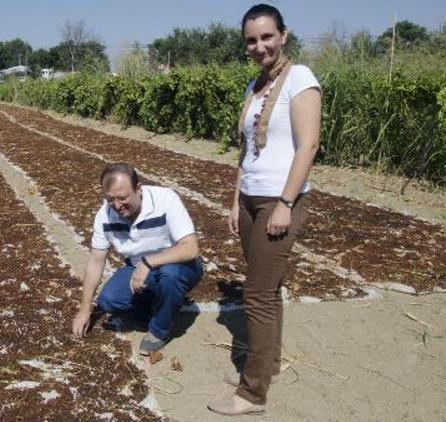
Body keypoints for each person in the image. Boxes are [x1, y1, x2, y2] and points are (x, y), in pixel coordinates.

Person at [206, 3, 323, 416]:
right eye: (251, 40)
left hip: (279, 200)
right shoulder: (253, 87)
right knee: (267, 293)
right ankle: (267, 366)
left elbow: (308, 145)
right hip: (252, 200)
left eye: (267, 37)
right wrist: (235, 200)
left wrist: (286, 204)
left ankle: (252, 393)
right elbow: (247, 152)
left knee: (255, 295)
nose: (259, 46)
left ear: (283, 35)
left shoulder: (301, 78)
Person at [71, 163, 203, 354]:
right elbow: (96, 261)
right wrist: (84, 310)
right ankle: (157, 305)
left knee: (170, 276)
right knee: (109, 300)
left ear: (138, 189)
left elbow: (191, 248)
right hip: (138, 267)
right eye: (110, 199)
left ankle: (159, 330)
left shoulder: (165, 199)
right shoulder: (104, 217)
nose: (117, 206)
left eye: (123, 198)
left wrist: (148, 263)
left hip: (179, 265)